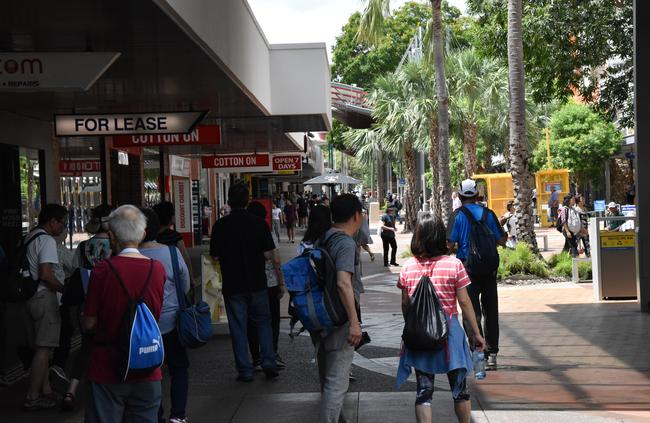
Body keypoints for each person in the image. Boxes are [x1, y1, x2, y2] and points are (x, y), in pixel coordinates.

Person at [396, 215, 486, 423]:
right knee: (460, 389)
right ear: (439, 237)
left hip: (419, 334)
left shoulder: (408, 266)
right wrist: (476, 333)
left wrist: (413, 326)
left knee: (423, 391)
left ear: (417, 237)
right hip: (450, 335)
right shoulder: (454, 265)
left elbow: (405, 303)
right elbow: (464, 302)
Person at [83, 205, 166, 422]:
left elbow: (89, 322)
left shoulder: (102, 270)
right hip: (147, 364)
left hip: (107, 366)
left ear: (112, 236)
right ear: (143, 234)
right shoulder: (157, 269)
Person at [210, 182, 279, 382]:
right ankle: (268, 361)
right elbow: (268, 253)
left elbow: (214, 256)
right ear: (248, 200)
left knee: (238, 327)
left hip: (233, 285)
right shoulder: (259, 223)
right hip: (257, 282)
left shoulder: (220, 225)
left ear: (229, 201)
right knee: (264, 323)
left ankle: (245, 369)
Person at [139, 208, 191, 423]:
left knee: (149, 372)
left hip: (141, 328)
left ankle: (156, 413)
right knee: (179, 368)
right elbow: (186, 286)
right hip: (172, 322)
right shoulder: (171, 252)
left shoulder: (130, 257)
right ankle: (178, 416)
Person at [315, 194, 364, 423]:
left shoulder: (324, 237)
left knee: (329, 380)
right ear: (356, 215)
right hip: (339, 318)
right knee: (336, 383)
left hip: (321, 315)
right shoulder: (345, 242)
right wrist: (354, 322)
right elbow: (343, 283)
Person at [447, 179, 506, 371]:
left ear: (461, 195)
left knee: (471, 312)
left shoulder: (457, 216)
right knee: (491, 311)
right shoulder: (489, 214)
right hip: (489, 269)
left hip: (467, 271)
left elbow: (448, 243)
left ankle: (478, 351)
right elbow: (501, 239)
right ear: (476, 195)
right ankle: (493, 354)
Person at [60, 204, 114, 411]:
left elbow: (75, 270)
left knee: (86, 347)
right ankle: (105, 392)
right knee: (111, 344)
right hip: (110, 300)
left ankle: (71, 391)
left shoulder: (84, 247)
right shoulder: (116, 246)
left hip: (87, 302)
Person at [23, 204, 67, 410]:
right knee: (43, 349)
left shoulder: (30, 236)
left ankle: (46, 389)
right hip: (44, 297)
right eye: (63, 223)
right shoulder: (47, 240)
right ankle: (33, 396)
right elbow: (46, 274)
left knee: (40, 347)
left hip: (30, 298)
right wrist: (64, 290)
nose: (64, 228)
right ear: (53, 221)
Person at [245, 202, 287, 369]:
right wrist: (281, 282)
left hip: (248, 282)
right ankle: (272, 354)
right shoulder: (266, 232)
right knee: (272, 320)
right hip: (269, 283)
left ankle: (256, 358)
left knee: (252, 321)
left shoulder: (244, 234)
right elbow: (275, 259)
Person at [153, 201, 194, 283]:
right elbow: (186, 259)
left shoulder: (152, 236)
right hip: (172, 278)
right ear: (170, 217)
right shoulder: (175, 236)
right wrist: (191, 278)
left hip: (155, 277)